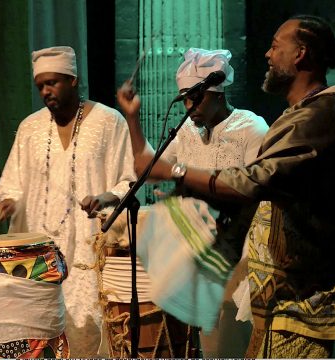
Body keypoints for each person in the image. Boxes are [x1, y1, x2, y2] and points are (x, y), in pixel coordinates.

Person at [120, 15, 335, 358]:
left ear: (301, 54)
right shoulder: (299, 114)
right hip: (280, 300)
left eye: (276, 46)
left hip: (305, 304)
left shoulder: (319, 114)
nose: (267, 54)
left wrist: (177, 173)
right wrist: (134, 119)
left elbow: (252, 182)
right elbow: (147, 167)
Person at [117, 48, 269, 357]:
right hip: (200, 257)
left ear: (217, 92)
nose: (188, 106)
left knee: (232, 346)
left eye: (194, 98)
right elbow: (147, 166)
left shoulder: (252, 129)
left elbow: (255, 193)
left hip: (239, 257)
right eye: (184, 98)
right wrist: (132, 118)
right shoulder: (187, 130)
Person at [0, 46, 136, 358]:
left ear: (73, 80)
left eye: (53, 83)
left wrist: (104, 197)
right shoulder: (30, 128)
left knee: (87, 336)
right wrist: (8, 201)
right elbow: (13, 182)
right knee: (41, 337)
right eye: (41, 85)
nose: (46, 91)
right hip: (42, 257)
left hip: (88, 252)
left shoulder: (109, 122)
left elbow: (130, 178)